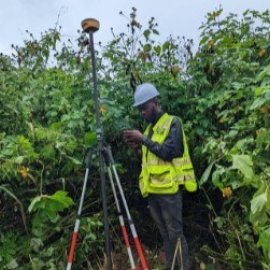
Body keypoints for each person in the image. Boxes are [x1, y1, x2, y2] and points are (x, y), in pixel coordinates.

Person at [123, 83, 197, 270]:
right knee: (166, 236)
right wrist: (137, 149)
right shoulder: (148, 130)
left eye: (144, 108)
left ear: (155, 103)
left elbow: (170, 151)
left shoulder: (173, 122)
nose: (142, 113)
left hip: (170, 191)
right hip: (153, 191)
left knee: (176, 234)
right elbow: (149, 159)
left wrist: (143, 140)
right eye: (140, 110)